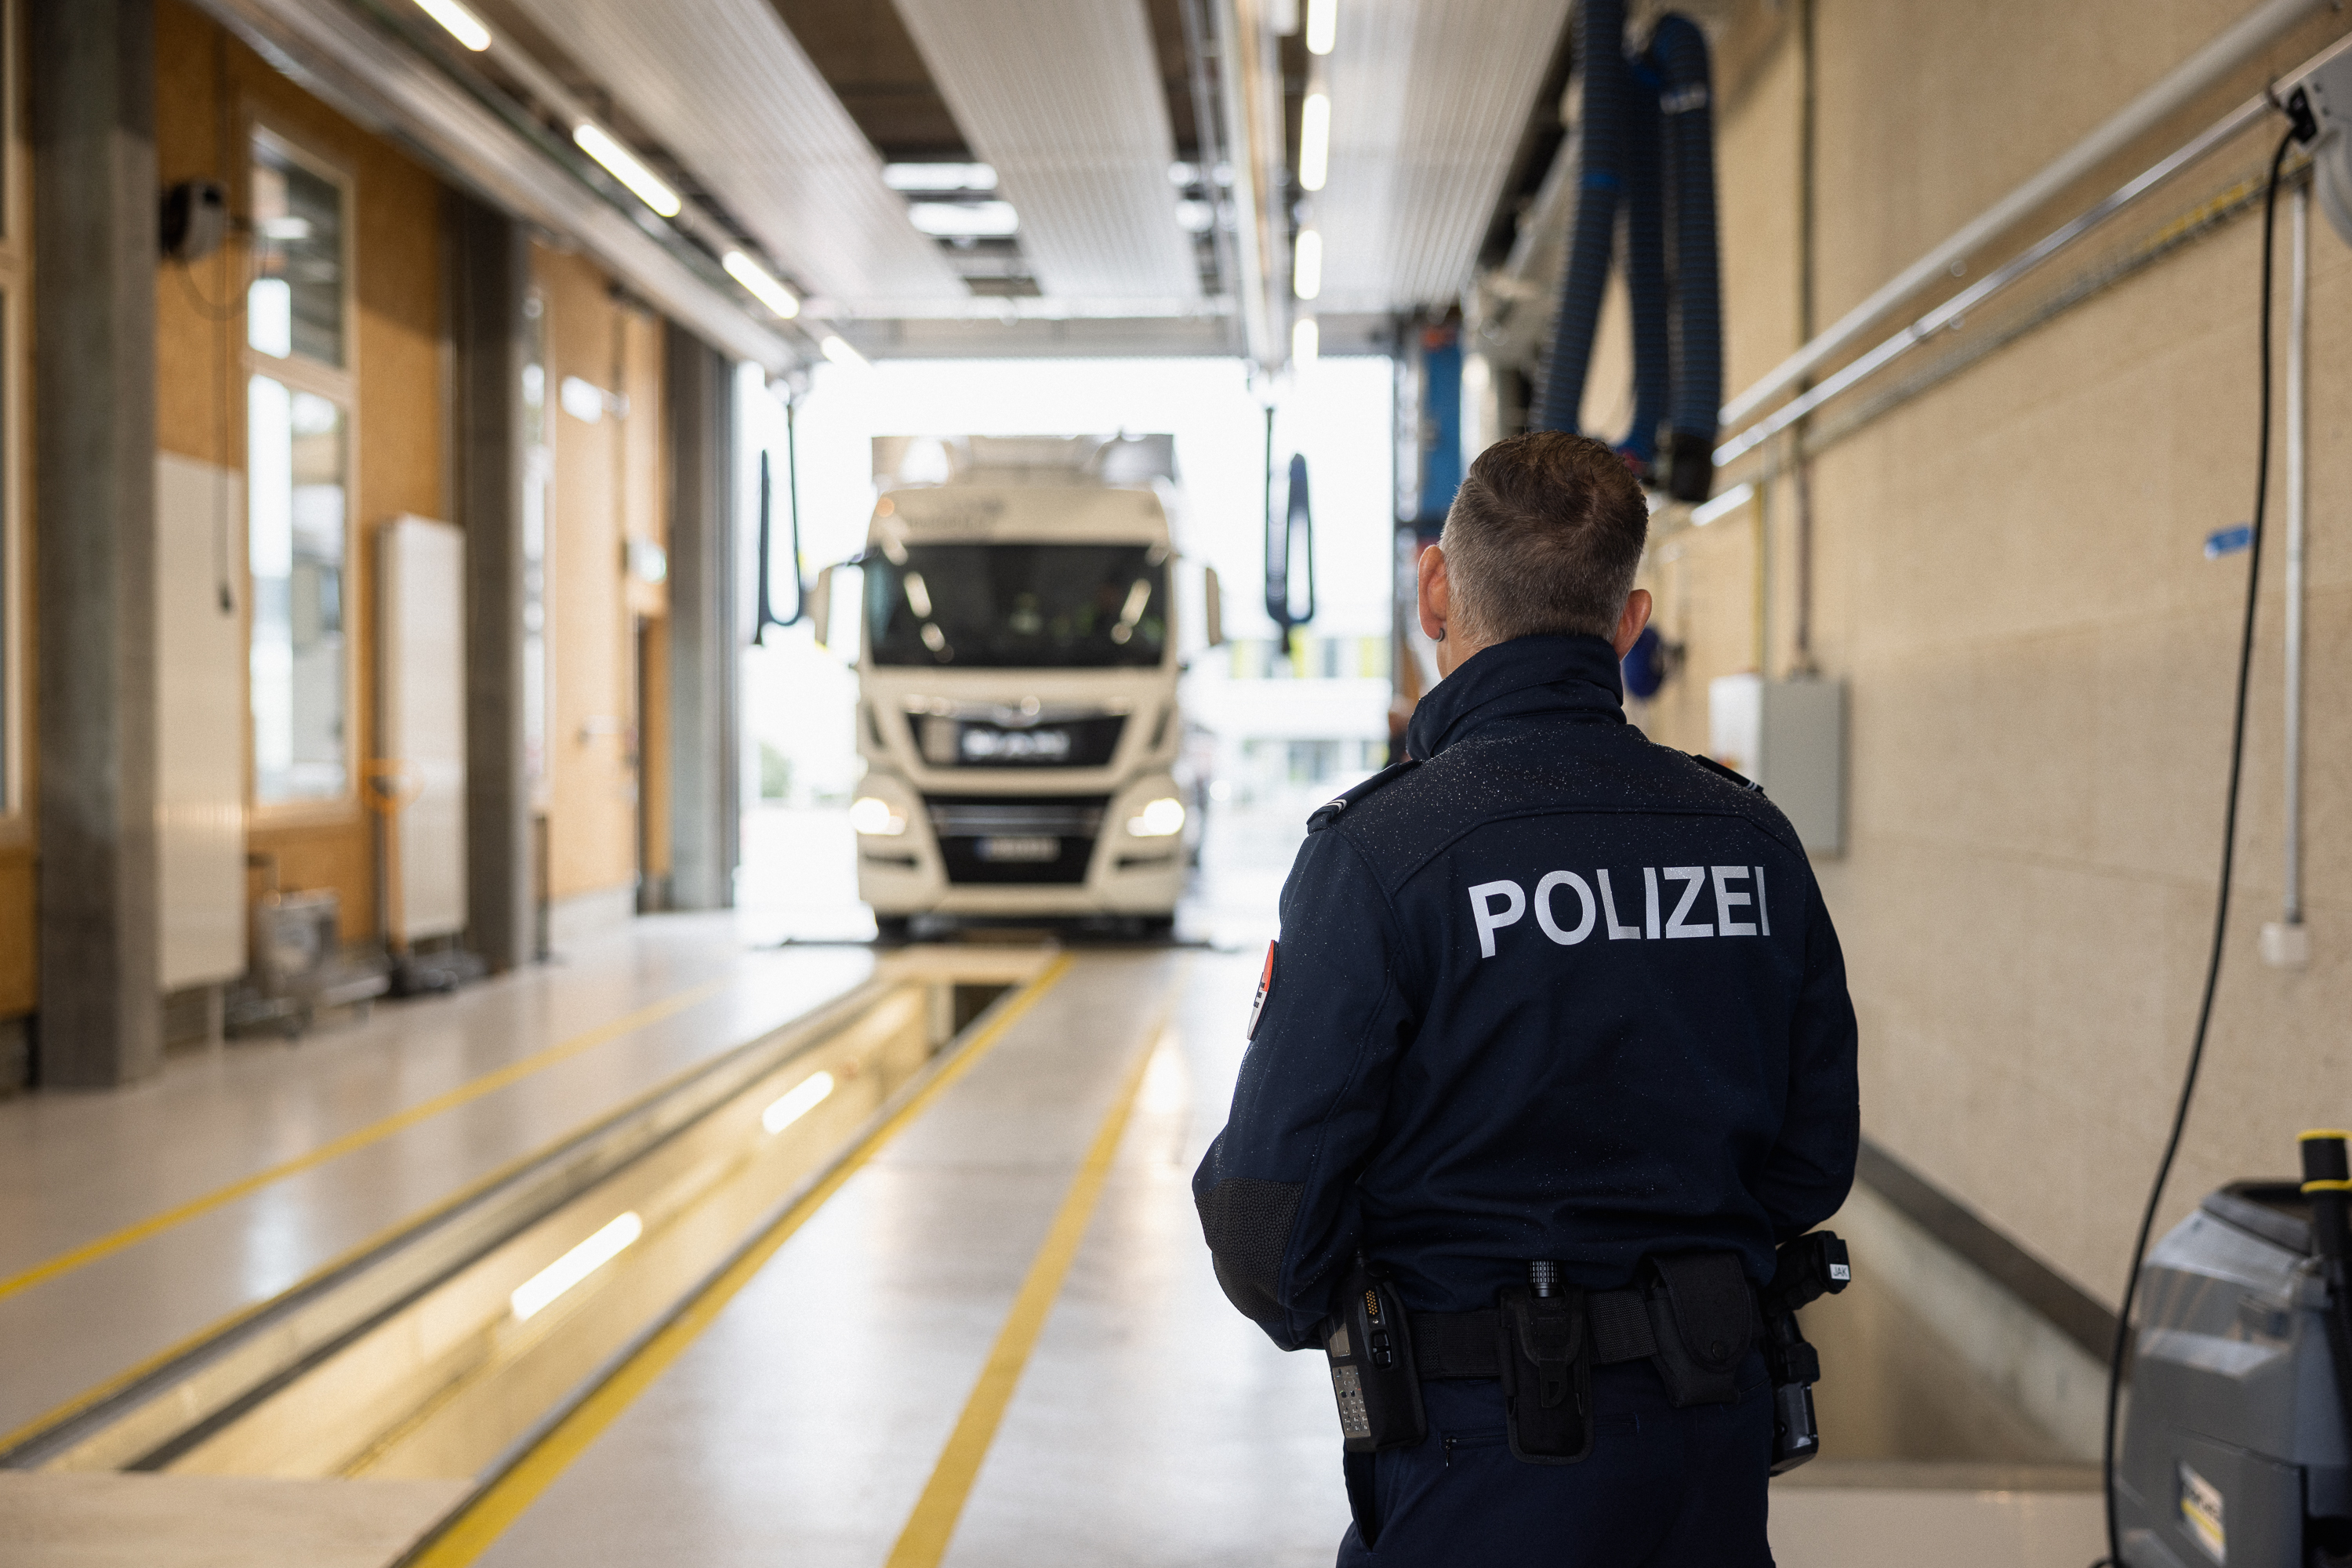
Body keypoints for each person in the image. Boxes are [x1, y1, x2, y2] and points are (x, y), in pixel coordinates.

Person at [1192, 431, 1859, 1566]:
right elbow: (1808, 1165)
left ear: (1435, 588)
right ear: (1629, 620)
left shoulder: (1383, 852)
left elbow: (1268, 1236)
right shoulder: (1749, 838)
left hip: (1481, 1464)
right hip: (1707, 1459)